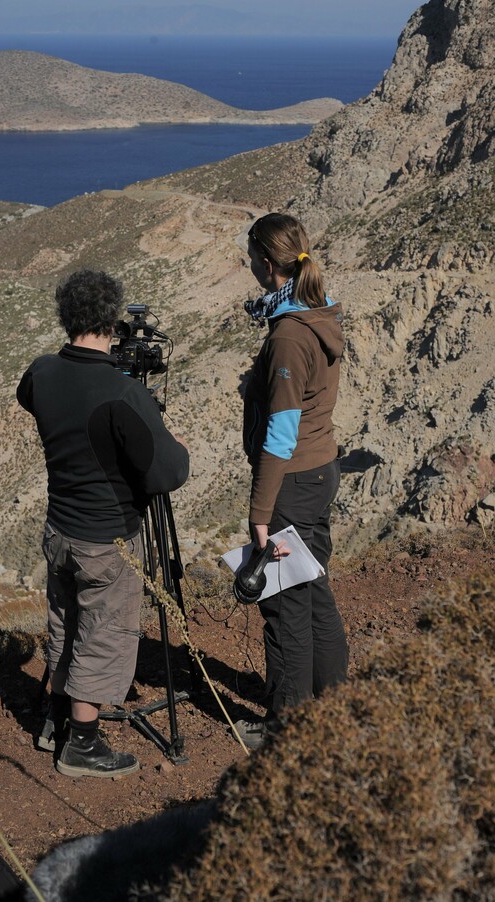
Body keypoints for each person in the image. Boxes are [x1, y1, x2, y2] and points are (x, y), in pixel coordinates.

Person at [17, 270, 189, 778]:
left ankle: (54, 719)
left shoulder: (41, 373)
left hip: (59, 529)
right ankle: (84, 746)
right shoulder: (120, 393)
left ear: (66, 317)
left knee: (63, 624)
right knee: (103, 632)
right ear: (111, 320)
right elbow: (167, 472)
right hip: (108, 538)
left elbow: (32, 396)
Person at [234, 213, 348, 750]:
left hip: (292, 483)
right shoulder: (316, 313)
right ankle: (333, 710)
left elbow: (281, 432)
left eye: (252, 257)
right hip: (320, 469)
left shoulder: (286, 337)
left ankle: (287, 729)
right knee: (314, 592)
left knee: (283, 607)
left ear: (266, 263)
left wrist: (261, 512)